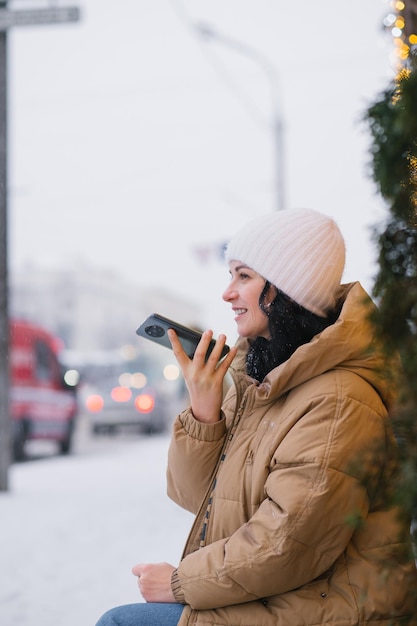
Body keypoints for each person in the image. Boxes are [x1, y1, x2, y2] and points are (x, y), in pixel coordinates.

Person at [95, 208, 417, 626]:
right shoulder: (262, 385)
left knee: (121, 622)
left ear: (286, 288)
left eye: (243, 276)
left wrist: (178, 583)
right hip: (280, 598)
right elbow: (198, 500)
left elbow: (288, 544)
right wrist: (204, 414)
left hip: (331, 609)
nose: (227, 293)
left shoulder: (338, 400)